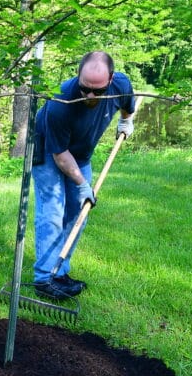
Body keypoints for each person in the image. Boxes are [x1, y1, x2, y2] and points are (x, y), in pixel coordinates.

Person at [31, 51, 136, 301]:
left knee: (79, 213)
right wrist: (82, 183)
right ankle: (44, 279)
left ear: (110, 80)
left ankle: (59, 273)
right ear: (78, 76)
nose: (90, 96)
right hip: (49, 151)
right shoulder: (61, 102)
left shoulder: (121, 85)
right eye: (85, 88)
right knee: (52, 213)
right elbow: (60, 156)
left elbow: (128, 107)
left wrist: (125, 122)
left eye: (97, 91)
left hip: (80, 155)